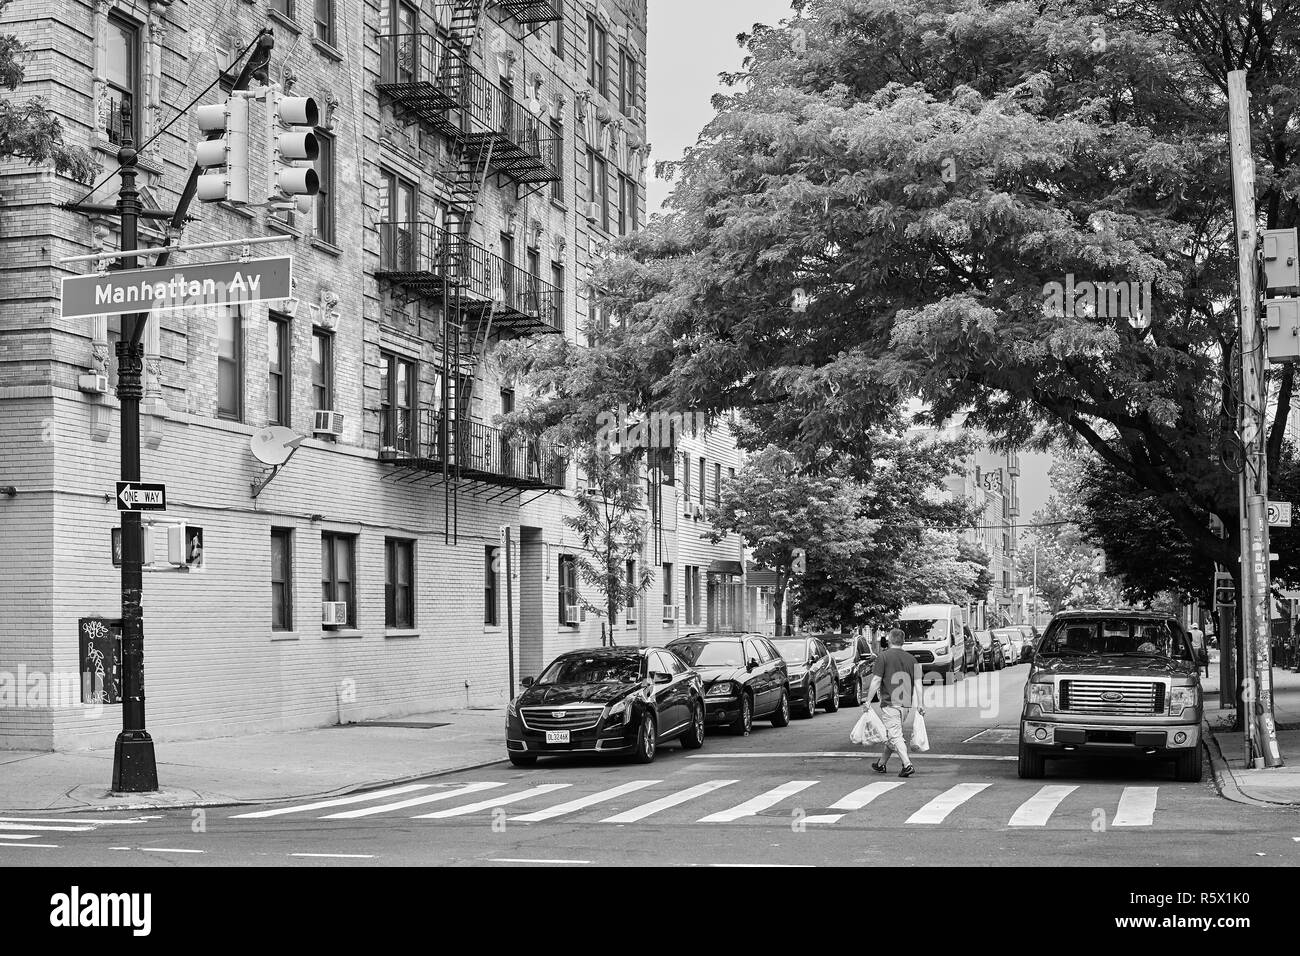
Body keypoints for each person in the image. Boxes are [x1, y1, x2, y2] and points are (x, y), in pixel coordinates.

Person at [865, 627, 925, 778]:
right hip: (905, 704)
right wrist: (921, 704)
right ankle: (881, 764)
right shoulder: (913, 659)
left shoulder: (883, 657)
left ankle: (907, 765)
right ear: (903, 641)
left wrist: (867, 701)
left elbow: (877, 680)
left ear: (890, 640)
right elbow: (918, 684)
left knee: (895, 735)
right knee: (893, 734)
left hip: (890, 703)